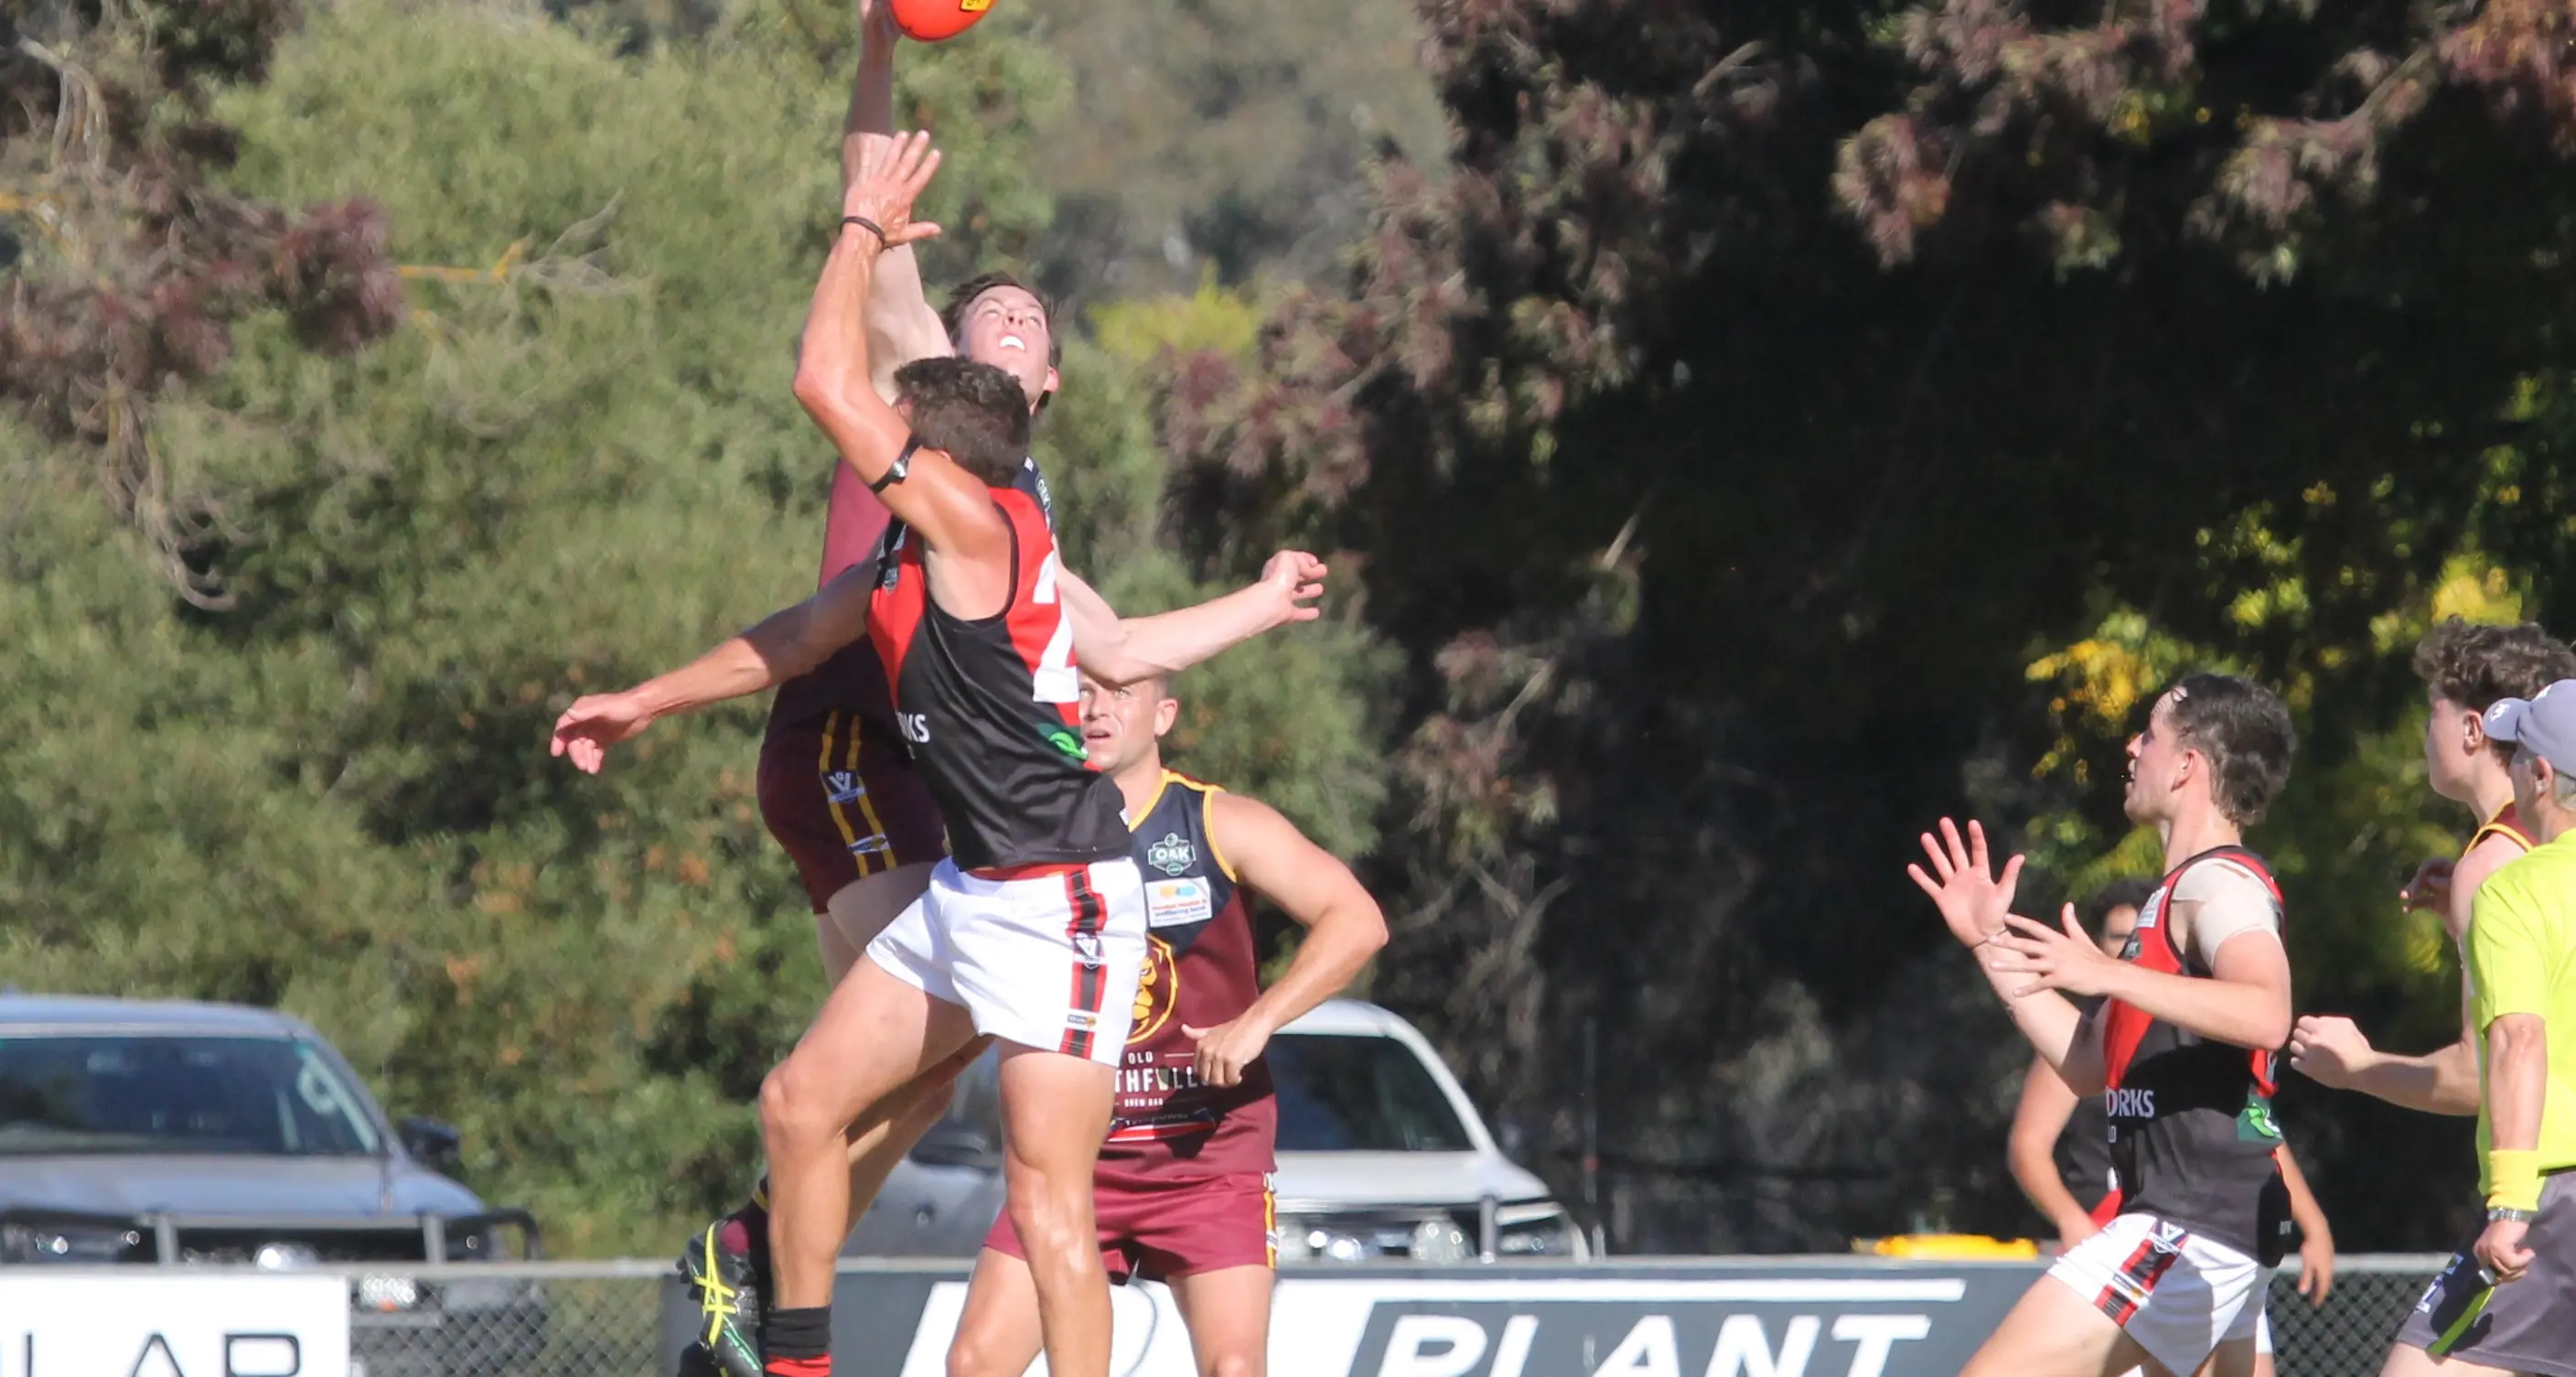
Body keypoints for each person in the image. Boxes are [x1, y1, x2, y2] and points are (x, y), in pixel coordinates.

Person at [945, 671, 1388, 1377]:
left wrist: (1258, 1019)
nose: (1096, 707)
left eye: (1120, 691)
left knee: (1234, 1367)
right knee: (975, 1361)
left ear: (1164, 714)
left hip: (1208, 1158)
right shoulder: (1029, 834)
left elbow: (1358, 920)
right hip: (1077, 1163)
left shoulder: (1218, 822)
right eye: (1082, 690)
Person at [1915, 673, 2298, 1377]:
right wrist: (1988, 942)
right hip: (2212, 1217)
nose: (2132, 746)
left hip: (2188, 1220)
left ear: (2187, 765)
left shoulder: (2219, 882)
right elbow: (2090, 1064)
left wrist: (2110, 975)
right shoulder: (2171, 900)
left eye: (2149, 733)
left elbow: (2267, 1011)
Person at [2005, 882, 2336, 1377]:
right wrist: (2074, 1222)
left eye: (2133, 939)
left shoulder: (2200, 1027)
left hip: (2210, 1232)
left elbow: (2257, 1127)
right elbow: (2028, 1147)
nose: (2124, 951)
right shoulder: (2090, 1033)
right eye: (2115, 939)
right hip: (2133, 1235)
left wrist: (2315, 1225)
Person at [2367, 681, 2576, 1377]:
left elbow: (2519, 1039)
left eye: (2517, 756)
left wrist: (2511, 1201)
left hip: (2555, 1191)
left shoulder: (2511, 887)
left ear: (2540, 776)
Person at [2289, 619, 2576, 1117]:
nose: (2425, 732)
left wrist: (2358, 1066)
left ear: (2472, 729)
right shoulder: (2543, 844)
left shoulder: (2490, 866)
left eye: (2433, 713)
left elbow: (2479, 1078)